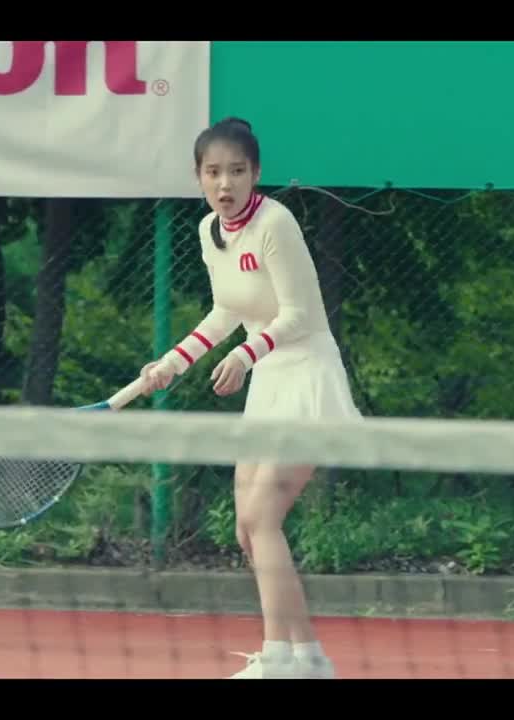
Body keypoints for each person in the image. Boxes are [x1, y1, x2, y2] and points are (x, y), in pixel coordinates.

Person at [141, 117, 362, 680]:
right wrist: (171, 363)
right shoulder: (208, 231)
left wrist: (245, 354)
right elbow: (226, 311)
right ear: (198, 177)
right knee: (247, 527)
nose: (225, 184)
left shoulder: (275, 223)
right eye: (213, 172)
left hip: (306, 375)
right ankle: (309, 658)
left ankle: (278, 657)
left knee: (263, 519)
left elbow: (299, 315)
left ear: (255, 173)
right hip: (268, 379)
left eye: (237, 171)